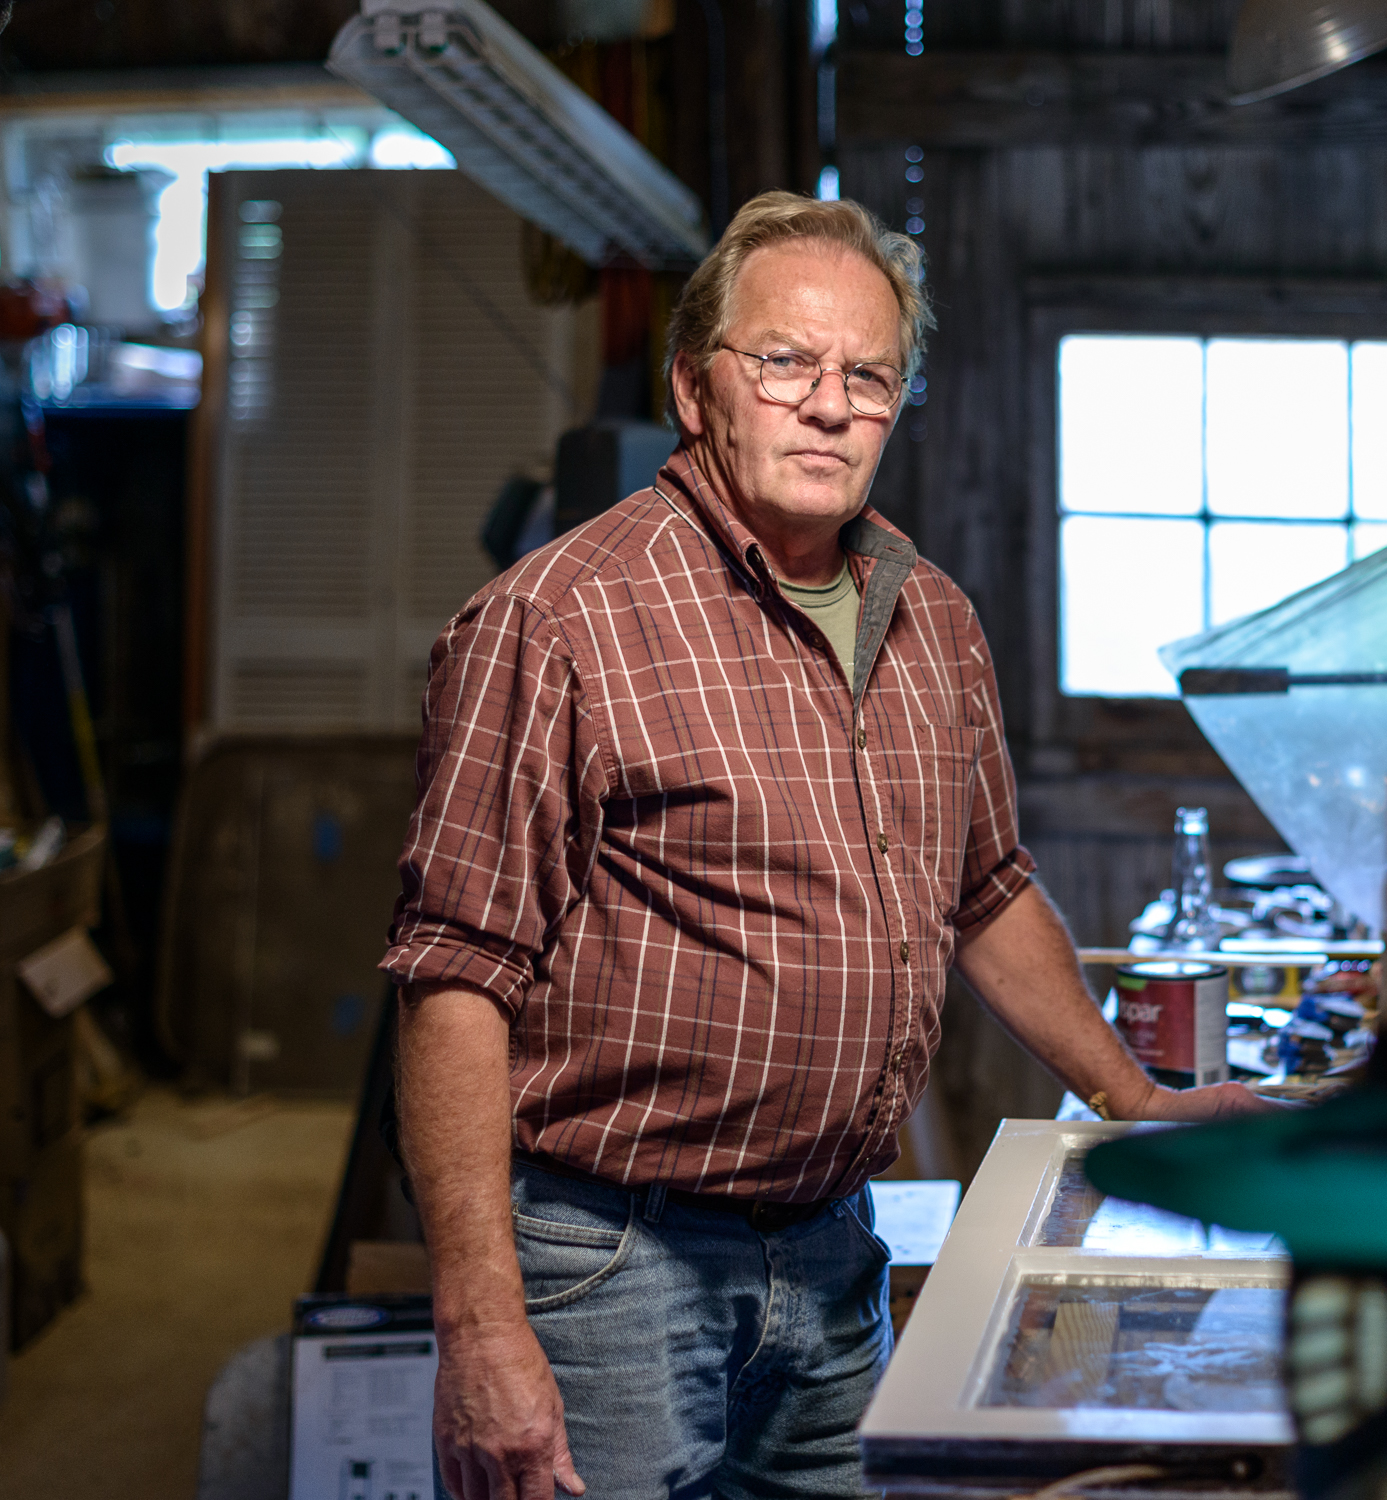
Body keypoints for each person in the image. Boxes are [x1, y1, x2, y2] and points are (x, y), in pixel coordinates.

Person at [382, 191, 1270, 1500]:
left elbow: (987, 888)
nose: (830, 403)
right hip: (612, 1262)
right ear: (696, 387)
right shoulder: (557, 620)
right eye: (786, 361)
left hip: (831, 1251)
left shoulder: (933, 618)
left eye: (869, 373)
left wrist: (1133, 1098)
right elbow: (455, 978)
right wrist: (479, 1325)